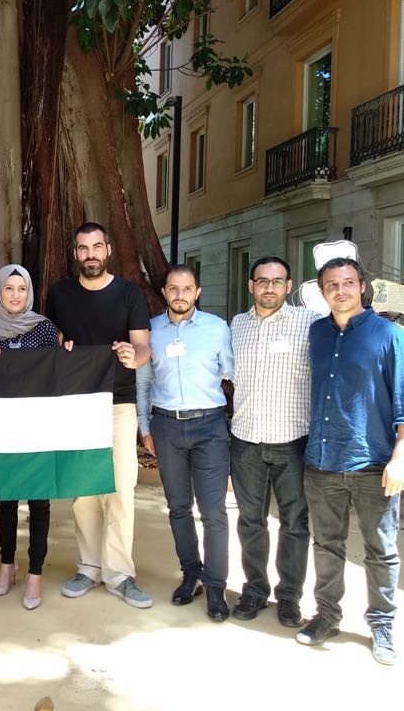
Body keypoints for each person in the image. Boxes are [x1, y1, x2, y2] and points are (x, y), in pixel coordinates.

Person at [296, 257, 404, 665]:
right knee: (327, 545)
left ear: (362, 287)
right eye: (332, 284)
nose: (341, 290)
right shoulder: (316, 333)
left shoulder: (390, 336)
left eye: (348, 282)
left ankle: (382, 626)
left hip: (373, 465)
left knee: (381, 550)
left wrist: (401, 458)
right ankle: (327, 616)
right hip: (322, 461)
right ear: (322, 291)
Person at [45, 222, 153, 609]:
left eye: (96, 247)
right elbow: (51, 344)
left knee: (121, 489)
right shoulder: (59, 294)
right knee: (84, 491)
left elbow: (143, 348)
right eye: (83, 248)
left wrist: (132, 355)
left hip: (119, 403)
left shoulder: (129, 294)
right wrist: (63, 347)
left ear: (107, 249)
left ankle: (120, 574)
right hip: (76, 404)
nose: (90, 254)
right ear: (75, 253)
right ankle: (88, 567)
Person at [138, 264, 234, 621]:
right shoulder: (151, 330)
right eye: (173, 289)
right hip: (166, 427)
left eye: (187, 288)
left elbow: (232, 372)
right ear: (164, 292)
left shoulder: (216, 328)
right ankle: (190, 572)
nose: (180, 295)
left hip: (209, 426)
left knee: (213, 512)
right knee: (178, 507)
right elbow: (143, 382)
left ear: (198, 292)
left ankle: (216, 585)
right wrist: (144, 427)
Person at [228, 256, 319, 627]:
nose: (269, 288)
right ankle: (254, 590)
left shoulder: (309, 323)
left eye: (277, 281)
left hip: (292, 440)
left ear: (289, 285)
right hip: (246, 440)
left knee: (295, 524)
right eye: (262, 281)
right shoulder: (236, 326)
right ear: (251, 286)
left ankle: (289, 597)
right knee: (251, 521)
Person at [0, 263, 59, 610]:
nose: (14, 295)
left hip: (38, 425)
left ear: (29, 292)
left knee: (39, 502)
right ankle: (7, 567)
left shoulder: (45, 328)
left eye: (21, 288)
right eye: (8, 289)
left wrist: (66, 355)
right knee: (6, 497)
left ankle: (35, 573)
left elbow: (55, 373)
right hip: (3, 425)